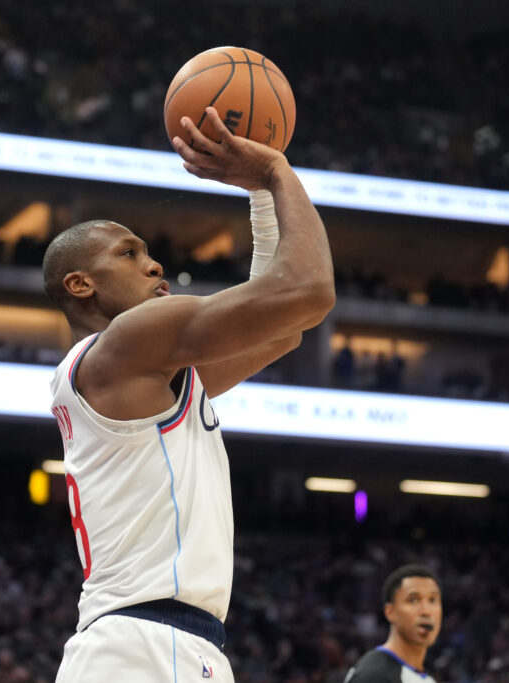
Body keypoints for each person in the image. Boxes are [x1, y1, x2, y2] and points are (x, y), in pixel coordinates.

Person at [43, 107, 335, 682]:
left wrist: (258, 197)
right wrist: (274, 171)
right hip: (147, 645)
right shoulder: (128, 342)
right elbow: (309, 292)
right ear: (81, 284)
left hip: (152, 644)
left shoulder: (141, 372)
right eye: (128, 254)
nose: (155, 263)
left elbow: (285, 327)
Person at [345, 565, 442, 682]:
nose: (426, 611)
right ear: (390, 612)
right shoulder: (374, 675)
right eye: (413, 600)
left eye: (432, 600)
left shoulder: (423, 677)